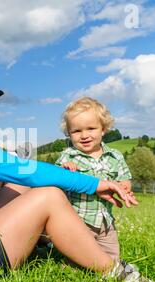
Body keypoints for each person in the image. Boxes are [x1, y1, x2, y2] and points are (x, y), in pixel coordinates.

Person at [0, 76, 155, 282]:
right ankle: (116, 271)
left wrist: (53, 175)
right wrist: (96, 184)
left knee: (20, 186)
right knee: (48, 195)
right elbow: (28, 172)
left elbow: (14, 177)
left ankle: (48, 239)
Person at [56, 97, 132, 261]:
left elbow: (125, 178)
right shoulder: (68, 156)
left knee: (112, 257)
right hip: (78, 221)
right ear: (69, 134)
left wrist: (124, 188)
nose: (84, 135)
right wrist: (65, 169)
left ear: (103, 129)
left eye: (91, 128)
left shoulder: (115, 156)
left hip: (106, 222)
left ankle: (111, 274)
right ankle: (71, 268)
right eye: (76, 131)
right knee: (77, 256)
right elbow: (55, 182)